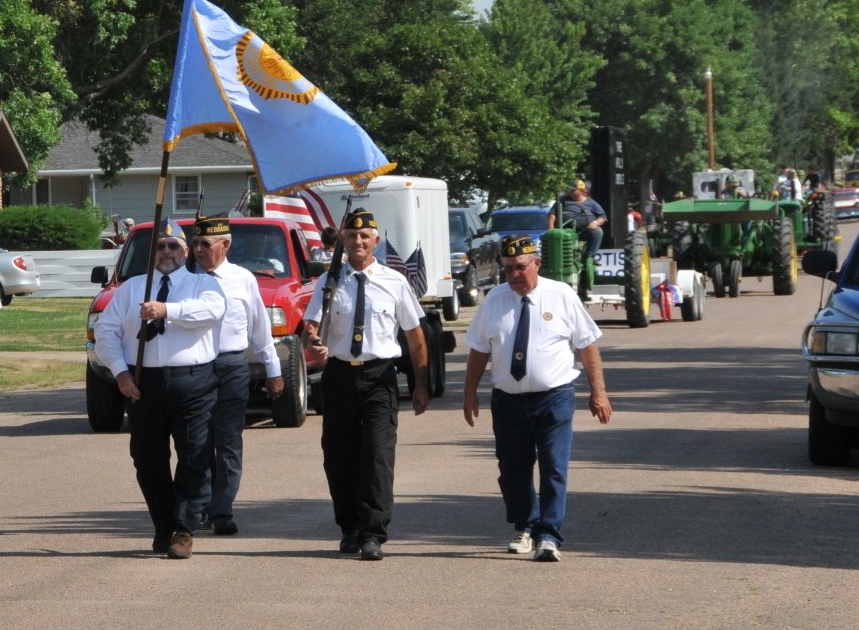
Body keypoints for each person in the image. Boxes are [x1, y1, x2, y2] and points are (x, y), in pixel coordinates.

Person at [460, 234, 612, 562]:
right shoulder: (494, 301)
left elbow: (587, 346)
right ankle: (525, 525)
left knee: (553, 466)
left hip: (554, 397)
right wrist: (469, 392)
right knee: (512, 469)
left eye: (520, 267)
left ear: (537, 264)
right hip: (508, 399)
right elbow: (479, 349)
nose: (513, 274)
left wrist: (598, 391)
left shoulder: (561, 296)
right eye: (507, 269)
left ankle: (549, 535)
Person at [92, 220, 226, 559]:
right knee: (147, 459)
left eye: (173, 246)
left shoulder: (202, 284)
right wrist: (121, 374)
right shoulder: (132, 288)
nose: (167, 252)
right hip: (144, 384)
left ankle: (184, 528)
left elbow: (212, 311)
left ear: (186, 250)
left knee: (195, 457)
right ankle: (163, 525)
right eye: (160, 246)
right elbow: (106, 331)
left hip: (193, 382)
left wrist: (168, 310)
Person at [300, 208, 429, 561]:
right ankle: (349, 528)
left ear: (375, 241)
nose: (358, 241)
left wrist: (421, 384)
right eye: (351, 236)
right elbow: (308, 329)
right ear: (342, 241)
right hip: (339, 375)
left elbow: (415, 334)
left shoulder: (394, 281)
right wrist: (312, 342)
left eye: (364, 236)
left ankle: (373, 533)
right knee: (338, 457)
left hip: (379, 377)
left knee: (377, 455)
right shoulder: (330, 282)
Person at [189, 213, 283, 536]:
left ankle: (223, 509)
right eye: (195, 243)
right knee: (197, 441)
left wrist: (273, 370)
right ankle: (200, 506)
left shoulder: (244, 279)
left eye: (206, 243)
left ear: (225, 245)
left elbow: (260, 330)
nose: (199, 249)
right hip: (195, 369)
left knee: (228, 441)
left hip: (231, 367)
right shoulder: (185, 279)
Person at [558, 180, 607, 256]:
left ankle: (589, 257)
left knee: (597, 231)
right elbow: (552, 214)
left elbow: (603, 216)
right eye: (570, 190)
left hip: (583, 231)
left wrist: (595, 223)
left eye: (573, 190)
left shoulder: (591, 203)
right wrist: (551, 229)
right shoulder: (563, 200)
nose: (570, 191)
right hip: (565, 230)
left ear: (581, 191)